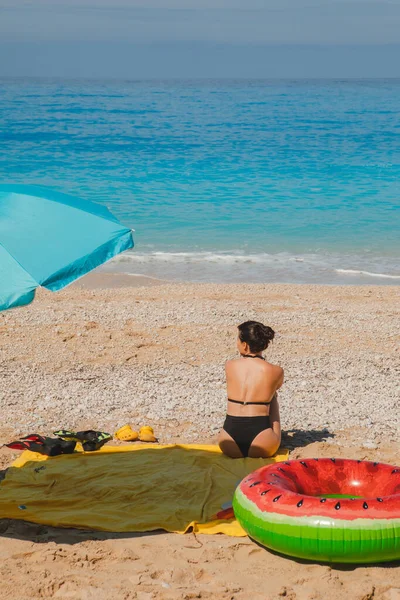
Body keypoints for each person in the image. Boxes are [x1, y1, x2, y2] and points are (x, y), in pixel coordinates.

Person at [218, 321, 283, 458]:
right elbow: (276, 387)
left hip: (228, 441)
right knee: (272, 396)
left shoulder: (230, 365)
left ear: (245, 345)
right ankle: (274, 434)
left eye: (238, 340)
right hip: (263, 441)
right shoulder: (276, 371)